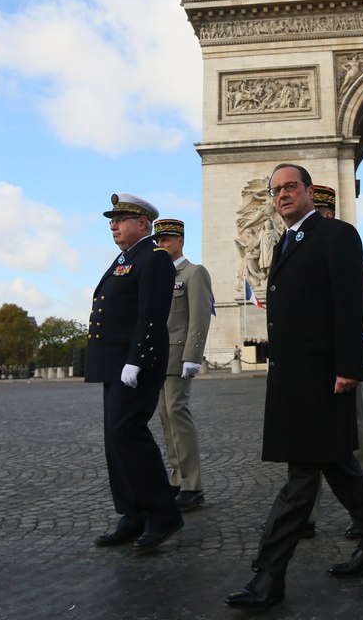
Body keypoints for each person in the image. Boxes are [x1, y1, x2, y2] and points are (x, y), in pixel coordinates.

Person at [225, 165, 363, 609]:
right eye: (276, 190)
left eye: (290, 187)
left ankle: (268, 574)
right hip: (294, 375)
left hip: (324, 376)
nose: (283, 195)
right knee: (339, 467)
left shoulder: (335, 234)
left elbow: (350, 301)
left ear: (308, 191)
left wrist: (347, 367)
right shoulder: (285, 241)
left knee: (301, 478)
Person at [86, 193, 182, 552]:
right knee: (116, 439)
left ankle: (163, 514)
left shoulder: (154, 259)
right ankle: (132, 513)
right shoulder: (126, 258)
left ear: (142, 223)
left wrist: (137, 359)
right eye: (112, 220)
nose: (113, 225)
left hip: (136, 364)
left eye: (120, 219)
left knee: (129, 434)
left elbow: (152, 314)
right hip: (116, 363)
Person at [304, 183, 363, 542]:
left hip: (340, 359)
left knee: (355, 434)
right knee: (304, 439)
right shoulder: (298, 249)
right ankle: (304, 514)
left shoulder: (345, 248)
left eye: (316, 215)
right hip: (306, 360)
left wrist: (347, 365)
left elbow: (354, 311)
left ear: (329, 213)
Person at [152, 219, 213, 512]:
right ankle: (176, 478)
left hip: (179, 358)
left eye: (166, 240)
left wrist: (193, 355)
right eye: (158, 241)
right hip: (159, 359)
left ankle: (192, 484)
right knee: (165, 417)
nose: (161, 245)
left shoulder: (194, 272)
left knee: (178, 412)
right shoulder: (158, 276)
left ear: (180, 241)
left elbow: (199, 317)